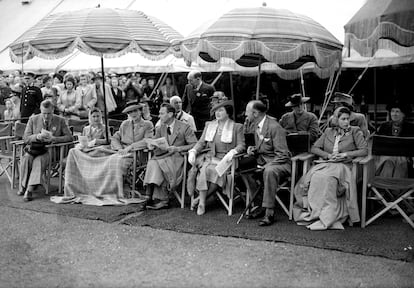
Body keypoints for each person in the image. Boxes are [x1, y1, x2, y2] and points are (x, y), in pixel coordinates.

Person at [53, 102, 152, 206]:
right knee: (106, 159)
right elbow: (114, 138)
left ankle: (114, 190)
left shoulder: (147, 125)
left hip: (136, 154)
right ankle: (99, 190)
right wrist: (119, 148)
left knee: (115, 161)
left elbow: (148, 140)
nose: (133, 114)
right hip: (120, 152)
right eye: (130, 112)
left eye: (135, 111)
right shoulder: (125, 124)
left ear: (140, 111)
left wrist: (130, 147)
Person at [293, 107, 368, 230]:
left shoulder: (355, 131)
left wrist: (345, 154)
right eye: (343, 119)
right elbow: (314, 148)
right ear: (336, 119)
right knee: (311, 179)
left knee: (328, 180)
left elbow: (364, 150)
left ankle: (328, 216)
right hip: (327, 163)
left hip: (343, 166)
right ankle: (315, 213)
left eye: (348, 119)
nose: (346, 122)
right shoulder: (328, 131)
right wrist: (327, 155)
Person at [187, 100, 245, 215]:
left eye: (221, 110)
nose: (217, 113)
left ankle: (200, 199)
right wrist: (193, 151)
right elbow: (201, 142)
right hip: (211, 158)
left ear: (228, 112)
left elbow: (241, 145)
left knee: (212, 170)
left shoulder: (237, 127)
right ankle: (202, 203)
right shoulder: (210, 125)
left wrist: (233, 152)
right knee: (206, 169)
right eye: (216, 111)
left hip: (227, 160)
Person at [241, 100, 291, 226]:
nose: (245, 115)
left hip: (280, 163)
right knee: (242, 166)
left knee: (269, 171)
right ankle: (260, 204)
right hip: (263, 160)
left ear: (256, 113)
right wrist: (254, 149)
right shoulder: (256, 125)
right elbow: (264, 146)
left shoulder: (274, 127)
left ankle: (269, 212)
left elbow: (283, 154)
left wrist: (267, 165)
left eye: (247, 112)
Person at [143, 103, 198, 210]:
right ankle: (150, 196)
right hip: (163, 155)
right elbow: (155, 140)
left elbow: (194, 144)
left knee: (158, 164)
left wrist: (178, 148)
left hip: (178, 157)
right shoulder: (160, 128)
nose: (159, 116)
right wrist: (151, 145)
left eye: (161, 113)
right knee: (153, 162)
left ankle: (160, 199)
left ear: (170, 114)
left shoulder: (184, 127)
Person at [18, 100, 73, 201]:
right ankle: (23, 185)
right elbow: (25, 138)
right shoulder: (33, 119)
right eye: (44, 113)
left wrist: (55, 139)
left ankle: (29, 190)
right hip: (35, 148)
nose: (46, 116)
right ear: (40, 110)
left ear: (53, 110)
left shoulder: (60, 120)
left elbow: (69, 137)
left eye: (49, 113)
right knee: (26, 158)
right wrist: (38, 136)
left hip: (52, 150)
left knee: (39, 160)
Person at [376, 100, 414, 178]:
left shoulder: (411, 128)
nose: (394, 114)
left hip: (405, 158)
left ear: (403, 114)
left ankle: (395, 188)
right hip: (385, 157)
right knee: (389, 161)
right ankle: (384, 187)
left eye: (397, 111)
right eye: (392, 111)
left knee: (400, 161)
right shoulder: (384, 126)